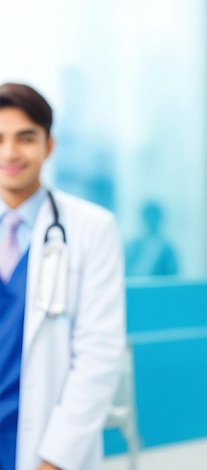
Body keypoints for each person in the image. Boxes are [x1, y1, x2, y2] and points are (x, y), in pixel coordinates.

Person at [0, 82, 126, 470]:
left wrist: (56, 459)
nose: (10, 152)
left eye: (25, 138)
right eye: (0, 138)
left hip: (43, 442)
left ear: (48, 146)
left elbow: (99, 354)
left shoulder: (92, 228)